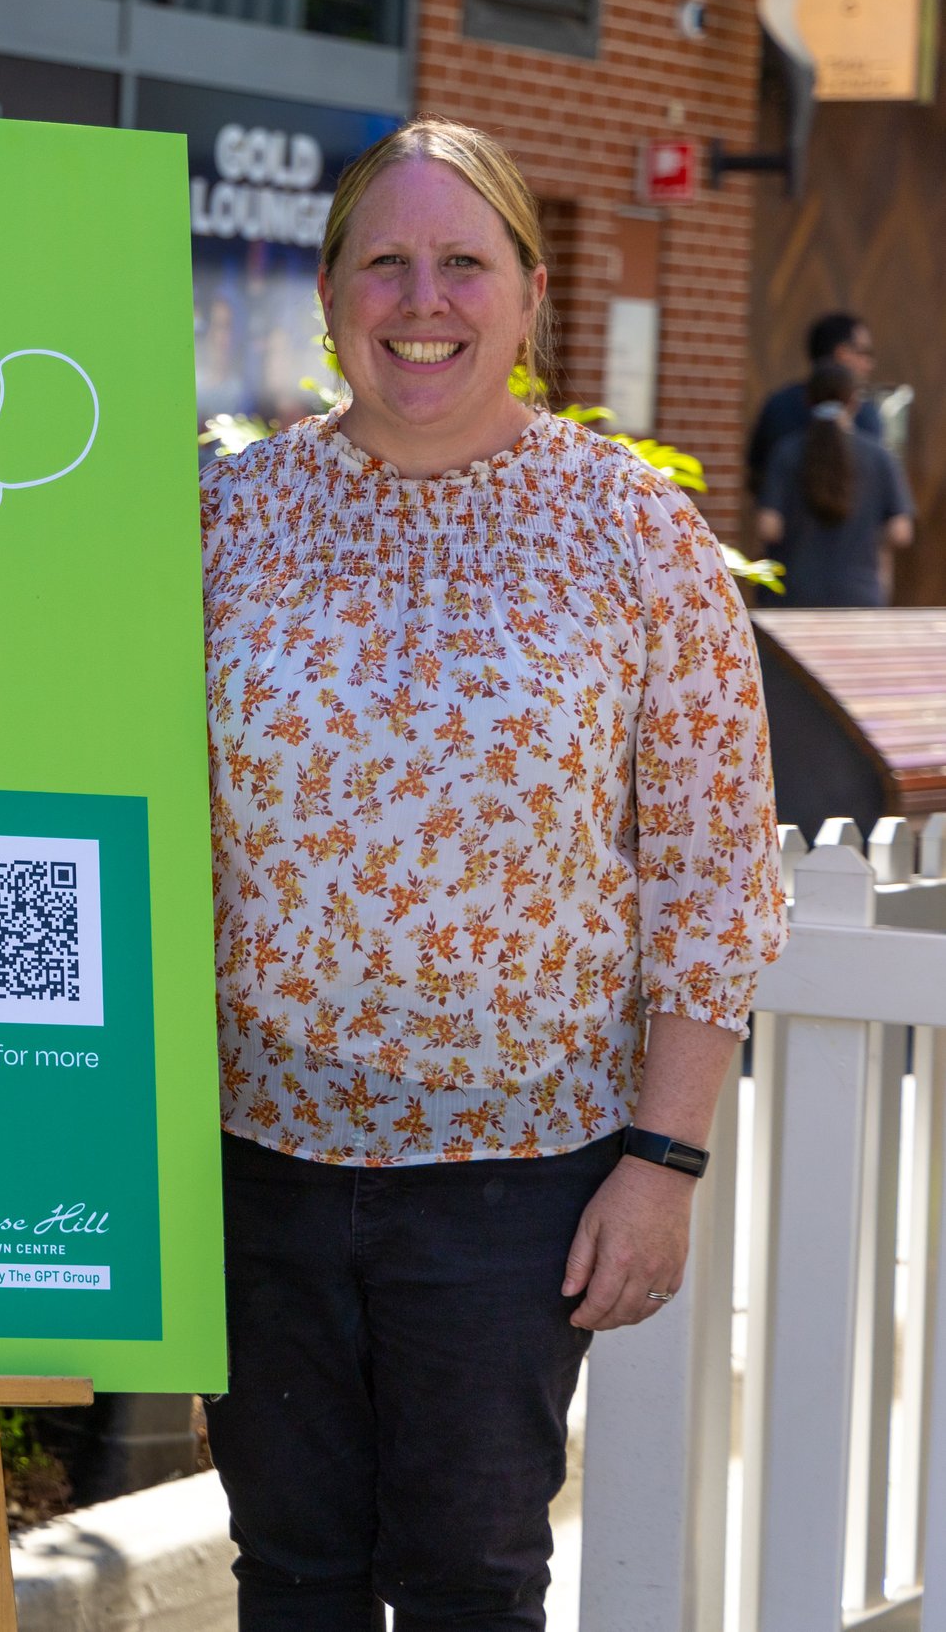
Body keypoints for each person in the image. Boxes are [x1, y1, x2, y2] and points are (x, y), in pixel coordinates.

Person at [200, 118, 786, 1629]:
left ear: (530, 295)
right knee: (294, 1573)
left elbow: (715, 870)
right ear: (329, 296)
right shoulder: (222, 524)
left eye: (464, 262)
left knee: (472, 1575)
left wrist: (663, 1164)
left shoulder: (635, 533)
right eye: (384, 262)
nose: (423, 298)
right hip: (255, 1155)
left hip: (517, 1175)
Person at [758, 362, 916, 606]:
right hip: (860, 594)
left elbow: (769, 527)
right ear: (855, 401)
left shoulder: (787, 452)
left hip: (795, 595)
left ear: (808, 401)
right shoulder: (879, 456)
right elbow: (901, 532)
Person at [747, 310, 882, 502]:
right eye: (865, 353)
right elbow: (878, 485)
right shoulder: (864, 413)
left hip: (787, 527)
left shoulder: (778, 404)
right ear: (842, 353)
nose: (870, 364)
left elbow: (757, 474)